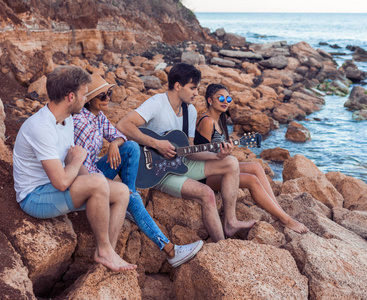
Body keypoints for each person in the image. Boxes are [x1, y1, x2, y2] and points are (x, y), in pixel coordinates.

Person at [13, 66, 137, 272]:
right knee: (98, 183)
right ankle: (104, 251)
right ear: (71, 96)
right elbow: (61, 181)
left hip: (57, 186)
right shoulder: (41, 127)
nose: (85, 98)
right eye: (84, 94)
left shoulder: (66, 119)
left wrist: (94, 184)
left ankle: (108, 252)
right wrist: (79, 161)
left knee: (121, 191)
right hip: (34, 197)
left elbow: (74, 172)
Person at [73, 74, 203, 268]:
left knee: (132, 147)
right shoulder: (81, 123)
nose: (108, 98)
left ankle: (130, 194)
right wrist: (106, 185)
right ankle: (169, 249)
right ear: (88, 100)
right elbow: (80, 166)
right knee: (131, 197)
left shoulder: (98, 117)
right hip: (84, 178)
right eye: (102, 96)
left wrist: (114, 145)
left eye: (109, 93)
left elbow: (118, 134)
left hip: (94, 169)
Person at [116, 63, 257, 242]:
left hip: (181, 161)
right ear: (177, 86)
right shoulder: (156, 103)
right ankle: (222, 244)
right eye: (192, 88)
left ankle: (230, 221)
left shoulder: (189, 110)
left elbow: (190, 150)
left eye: (197, 88)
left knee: (231, 162)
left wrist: (217, 156)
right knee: (206, 193)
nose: (196, 93)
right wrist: (157, 144)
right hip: (155, 170)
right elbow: (123, 125)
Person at [194, 83, 308, 234]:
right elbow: (203, 156)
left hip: (217, 167)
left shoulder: (220, 119)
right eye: (221, 98)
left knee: (256, 167)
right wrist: (222, 155)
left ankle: (279, 212)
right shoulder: (207, 121)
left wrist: (226, 152)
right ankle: (286, 220)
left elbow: (217, 152)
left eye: (228, 98)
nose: (225, 101)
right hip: (203, 174)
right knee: (251, 180)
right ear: (210, 100)